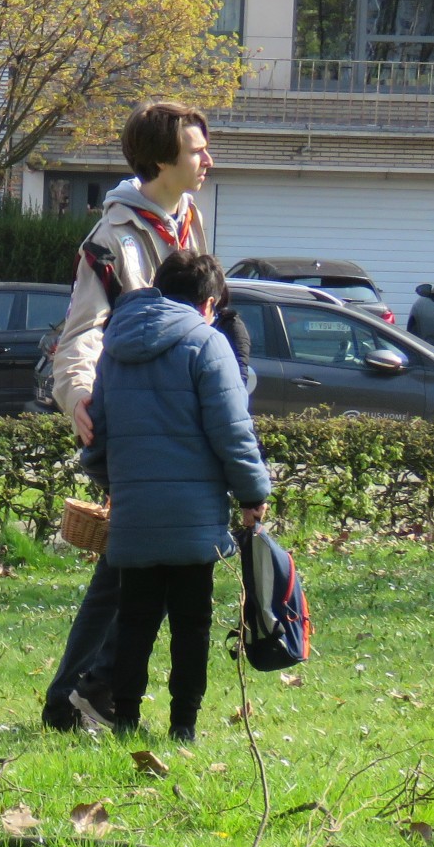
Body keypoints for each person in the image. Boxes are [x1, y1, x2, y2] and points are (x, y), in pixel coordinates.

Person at [39, 102, 244, 732]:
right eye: (195, 150)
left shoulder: (190, 220)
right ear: (161, 159)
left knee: (130, 565)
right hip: (142, 426)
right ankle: (76, 695)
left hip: (181, 423)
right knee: (127, 566)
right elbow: (81, 331)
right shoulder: (112, 239)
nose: (207, 159)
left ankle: (87, 693)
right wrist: (77, 398)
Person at [81, 249, 270, 741]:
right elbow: (233, 431)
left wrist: (114, 484)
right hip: (194, 518)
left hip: (134, 515)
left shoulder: (115, 345)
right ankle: (182, 725)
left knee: (135, 621)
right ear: (208, 302)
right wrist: (253, 493)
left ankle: (124, 717)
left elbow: (97, 435)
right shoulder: (207, 345)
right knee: (192, 626)